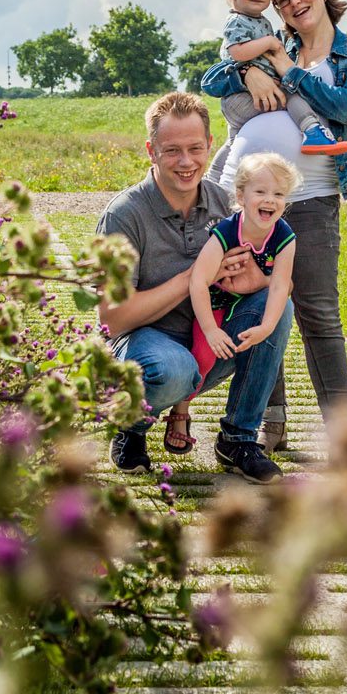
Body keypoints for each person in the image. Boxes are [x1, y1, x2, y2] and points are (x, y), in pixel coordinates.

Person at [201, 0, 347, 453]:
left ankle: (343, 436)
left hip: (313, 197)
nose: (293, 2)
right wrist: (247, 78)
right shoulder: (268, 42)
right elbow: (213, 79)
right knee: (257, 307)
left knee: (318, 312)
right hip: (246, 198)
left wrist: (285, 71)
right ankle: (264, 421)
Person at [94, 91, 292, 484]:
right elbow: (111, 320)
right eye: (172, 151)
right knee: (173, 369)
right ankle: (129, 425)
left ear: (210, 146)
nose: (186, 162)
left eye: (195, 149)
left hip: (208, 341)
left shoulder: (227, 205)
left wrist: (255, 279)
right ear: (151, 150)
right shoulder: (123, 216)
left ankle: (237, 439)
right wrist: (194, 279)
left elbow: (265, 276)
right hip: (146, 346)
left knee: (276, 305)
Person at [214, 0, 347, 158]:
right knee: (288, 94)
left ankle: (211, 181)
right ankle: (312, 129)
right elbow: (219, 70)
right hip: (242, 104)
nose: (295, 1)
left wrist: (291, 72)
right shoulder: (267, 36)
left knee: (233, 142)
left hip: (306, 182)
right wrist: (246, 73)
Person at [188, 152, 298, 377]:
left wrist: (266, 327)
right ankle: (183, 404)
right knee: (204, 355)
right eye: (260, 191)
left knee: (268, 328)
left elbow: (280, 286)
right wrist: (210, 330)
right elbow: (199, 280)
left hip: (250, 302)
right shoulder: (226, 231)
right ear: (241, 197)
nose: (270, 199)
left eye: (278, 194)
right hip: (216, 303)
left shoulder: (285, 237)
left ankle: (247, 411)